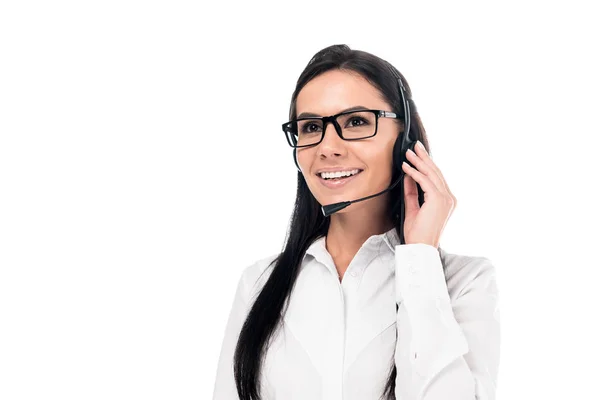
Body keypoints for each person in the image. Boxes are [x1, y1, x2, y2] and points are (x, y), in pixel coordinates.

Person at [212, 44, 501, 400]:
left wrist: (420, 260)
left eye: (356, 121)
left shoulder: (463, 281)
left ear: (404, 138)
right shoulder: (259, 282)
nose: (327, 147)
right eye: (311, 127)